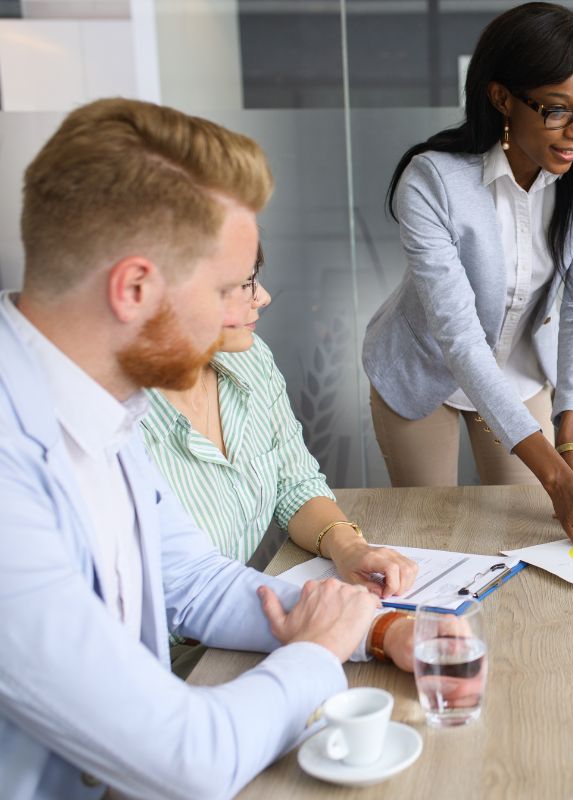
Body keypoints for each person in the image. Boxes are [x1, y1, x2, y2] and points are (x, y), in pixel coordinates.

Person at [0, 98, 416, 800]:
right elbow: (190, 760)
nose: (246, 306)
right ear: (134, 287)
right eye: (227, 286)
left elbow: (192, 579)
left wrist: (373, 628)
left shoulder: (95, 399)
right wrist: (318, 653)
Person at [363, 1, 573, 547]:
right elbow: (458, 336)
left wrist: (572, 444)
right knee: (431, 539)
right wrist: (554, 474)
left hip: (521, 375)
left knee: (528, 538)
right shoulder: (433, 179)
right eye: (556, 110)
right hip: (423, 376)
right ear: (502, 97)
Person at [141, 243, 418, 594]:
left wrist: (349, 548)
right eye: (245, 284)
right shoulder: (121, 424)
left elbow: (295, 484)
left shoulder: (250, 358)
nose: (264, 297)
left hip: (234, 615)